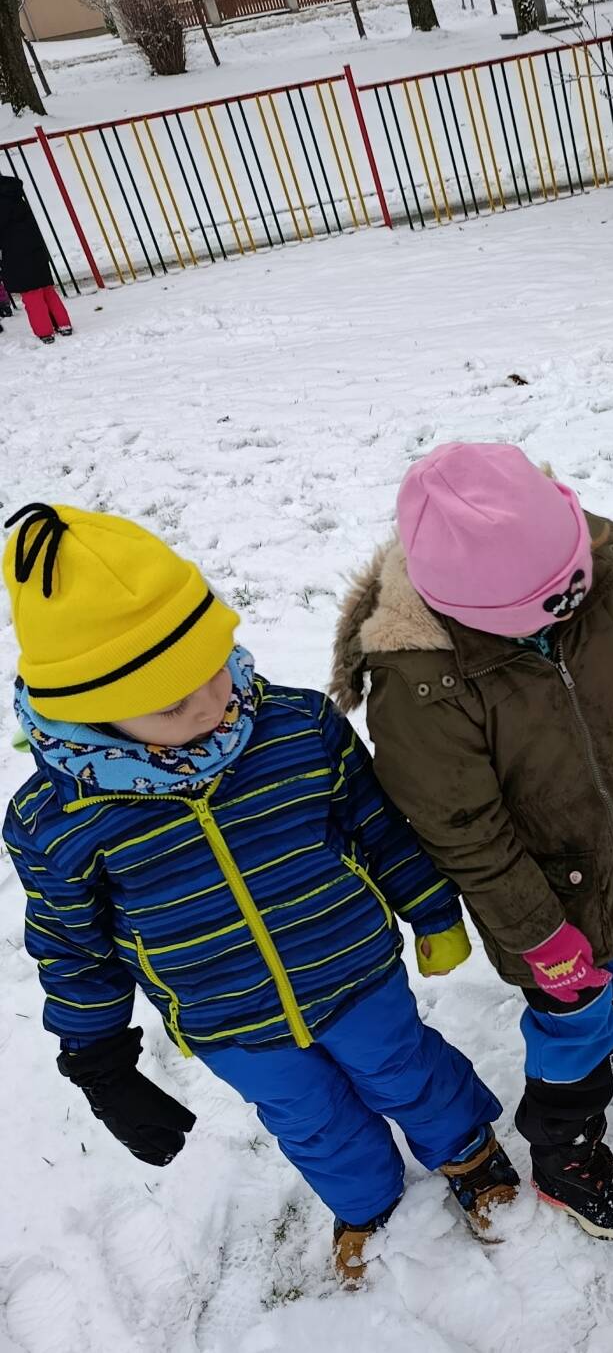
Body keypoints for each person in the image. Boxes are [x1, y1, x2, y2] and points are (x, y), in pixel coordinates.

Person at [1, 504, 518, 1286]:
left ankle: (469, 1155)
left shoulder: (295, 728)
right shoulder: (57, 821)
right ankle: (366, 1203)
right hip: (229, 1022)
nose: (211, 702)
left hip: (355, 971)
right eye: (171, 702)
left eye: (215, 666)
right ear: (88, 713)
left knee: (405, 1068)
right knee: (309, 1118)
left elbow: (376, 827)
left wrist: (431, 910)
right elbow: (74, 948)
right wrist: (97, 1059)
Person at [331, 443, 613, 1242]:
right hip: (545, 891)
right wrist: (538, 934)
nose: (572, 601)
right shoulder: (421, 685)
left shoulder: (588, 567)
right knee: (572, 1021)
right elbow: (463, 831)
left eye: (573, 581)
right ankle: (565, 1150)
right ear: (470, 607)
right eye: (549, 601)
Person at [0, 177, 72, 344]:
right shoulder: (15, 195)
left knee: (31, 296)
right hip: (35, 249)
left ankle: (45, 332)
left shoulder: (2, 204)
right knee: (47, 290)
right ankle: (63, 324)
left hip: (15, 254)